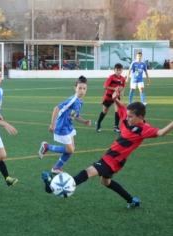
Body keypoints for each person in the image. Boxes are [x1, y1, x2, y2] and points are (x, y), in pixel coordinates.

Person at [42, 89, 173, 209]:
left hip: (113, 160)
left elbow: (161, 132)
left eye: (130, 116)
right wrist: (115, 99)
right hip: (114, 157)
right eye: (127, 115)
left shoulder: (144, 129)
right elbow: (120, 108)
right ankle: (132, 200)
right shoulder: (127, 119)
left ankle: (51, 187)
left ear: (140, 118)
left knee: (86, 173)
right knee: (106, 182)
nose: (126, 118)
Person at [38, 76, 91, 175]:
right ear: (75, 88)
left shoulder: (80, 101)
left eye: (84, 88)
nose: (82, 91)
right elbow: (56, 108)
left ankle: (56, 168)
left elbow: (75, 115)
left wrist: (84, 121)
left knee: (71, 149)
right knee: (70, 150)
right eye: (80, 88)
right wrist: (53, 124)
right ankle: (47, 146)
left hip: (69, 125)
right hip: (62, 125)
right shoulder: (73, 99)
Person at [95, 63, 125, 133]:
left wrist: (121, 92)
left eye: (120, 70)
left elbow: (122, 87)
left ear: (122, 70)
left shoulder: (123, 78)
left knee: (117, 111)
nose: (118, 71)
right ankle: (98, 122)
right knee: (105, 111)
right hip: (108, 97)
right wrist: (114, 89)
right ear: (114, 70)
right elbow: (105, 86)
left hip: (116, 97)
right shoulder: (111, 77)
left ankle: (116, 127)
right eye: (117, 70)